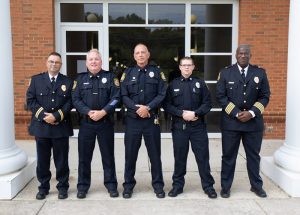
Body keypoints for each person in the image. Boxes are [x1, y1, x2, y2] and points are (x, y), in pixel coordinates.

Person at [216, 44, 271, 198]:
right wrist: (236, 113)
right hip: (231, 124)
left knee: (253, 156)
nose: (243, 56)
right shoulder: (226, 73)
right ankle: (225, 187)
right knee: (228, 156)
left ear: (250, 55)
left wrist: (252, 113)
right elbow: (221, 96)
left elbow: (265, 96)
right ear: (236, 55)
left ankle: (256, 186)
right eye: (240, 53)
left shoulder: (259, 73)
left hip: (253, 124)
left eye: (246, 53)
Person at [164, 57, 217, 199]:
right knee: (180, 158)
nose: (186, 68)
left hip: (197, 127)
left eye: (189, 65)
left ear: (193, 67)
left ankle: (208, 187)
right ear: (180, 67)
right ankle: (177, 186)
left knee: (203, 158)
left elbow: (207, 103)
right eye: (184, 65)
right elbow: (167, 105)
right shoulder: (172, 84)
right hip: (179, 127)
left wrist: (196, 113)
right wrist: (181, 114)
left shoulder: (200, 84)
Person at [120, 43, 167, 199]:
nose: (140, 55)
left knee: (155, 155)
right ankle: (128, 186)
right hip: (133, 121)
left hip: (150, 120)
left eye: (143, 52)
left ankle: (158, 186)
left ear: (148, 54)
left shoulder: (157, 73)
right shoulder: (127, 73)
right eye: (137, 53)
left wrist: (148, 107)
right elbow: (123, 95)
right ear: (134, 56)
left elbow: (162, 94)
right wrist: (136, 108)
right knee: (130, 155)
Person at [72, 49, 120, 199]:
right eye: (91, 59)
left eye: (96, 59)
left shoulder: (111, 77)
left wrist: (104, 111)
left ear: (101, 62)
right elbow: (76, 99)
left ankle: (111, 185)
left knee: (108, 156)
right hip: (86, 124)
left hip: (105, 123)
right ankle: (82, 187)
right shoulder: (79, 79)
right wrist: (88, 112)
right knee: (84, 158)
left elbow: (116, 98)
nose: (93, 62)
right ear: (86, 63)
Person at [26, 52, 73, 200]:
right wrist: (44, 116)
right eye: (51, 61)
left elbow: (70, 102)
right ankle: (43, 187)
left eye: (57, 62)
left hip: (60, 127)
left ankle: (62, 187)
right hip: (42, 127)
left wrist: (56, 116)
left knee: (62, 161)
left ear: (61, 65)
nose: (54, 64)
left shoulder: (68, 82)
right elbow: (30, 101)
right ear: (47, 63)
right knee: (43, 161)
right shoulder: (36, 80)